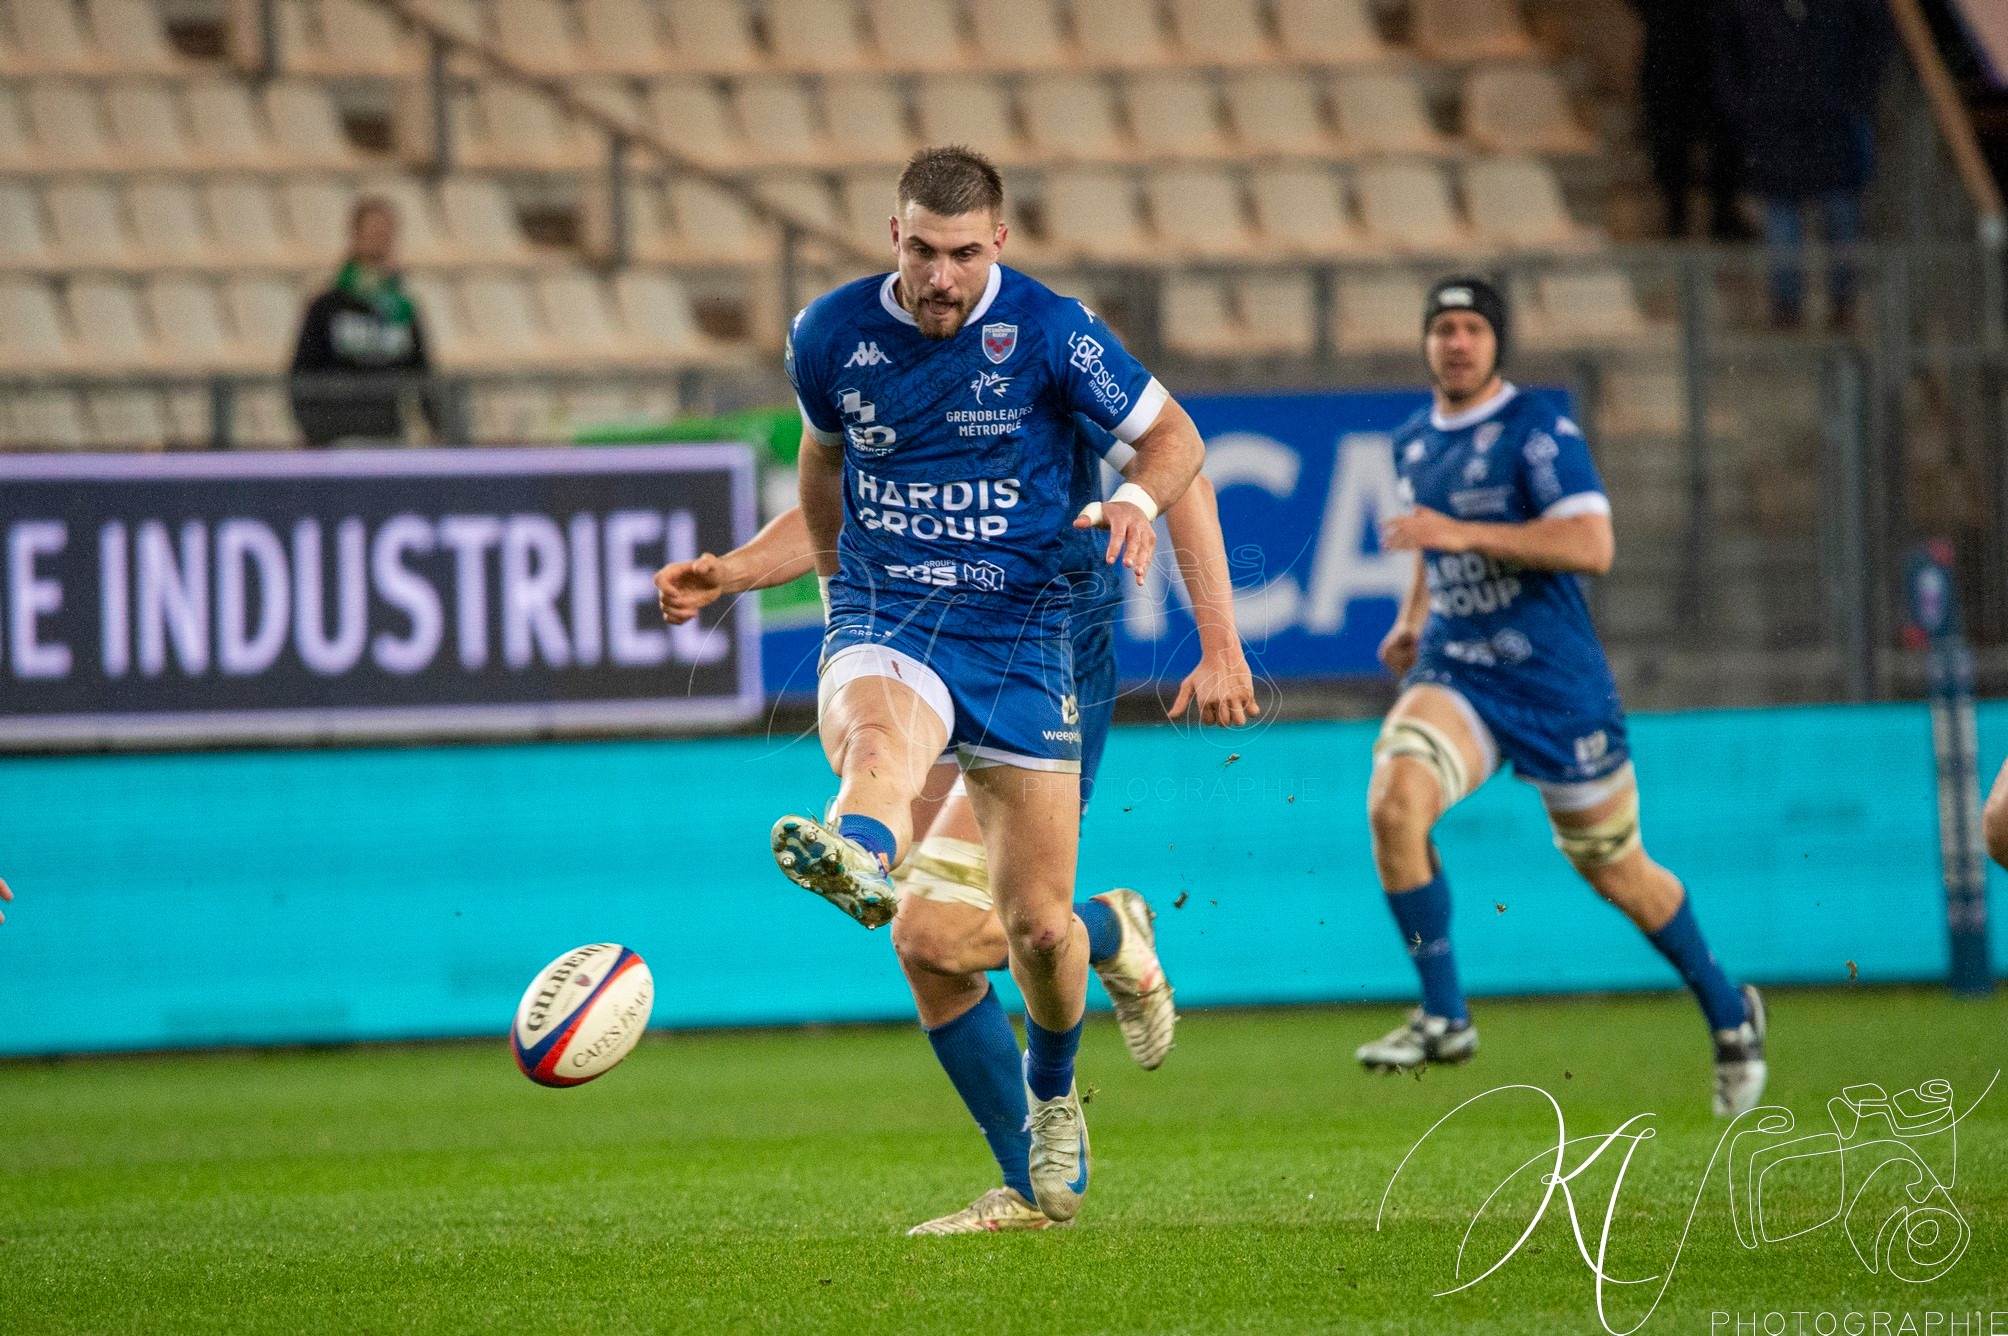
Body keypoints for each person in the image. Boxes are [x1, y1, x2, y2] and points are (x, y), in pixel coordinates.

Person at [656, 413, 1258, 1233]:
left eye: (958, 270)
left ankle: (1104, 933)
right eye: (922, 271)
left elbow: (1183, 468)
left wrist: (1221, 641)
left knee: (966, 933)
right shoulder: (871, 367)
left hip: (1042, 665)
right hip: (921, 648)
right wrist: (732, 571)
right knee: (926, 941)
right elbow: (835, 513)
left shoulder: (1045, 355)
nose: (938, 279)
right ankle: (1033, 1189)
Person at [768, 145, 1207, 1225]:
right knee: (882, 766)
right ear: (892, 238)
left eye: (963, 254)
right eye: (920, 250)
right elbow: (822, 464)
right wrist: (835, 596)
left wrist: (1140, 507)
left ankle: (1060, 1075)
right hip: (895, 615)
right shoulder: (828, 337)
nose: (939, 278)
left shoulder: (1052, 334)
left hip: (1027, 640)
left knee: (1036, 932)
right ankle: (859, 852)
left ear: (997, 244)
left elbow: (1174, 438)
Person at [1357, 275, 1769, 1118]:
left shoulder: (1538, 430)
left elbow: (1592, 542)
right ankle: (1445, 1014)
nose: (1458, 343)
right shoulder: (1412, 441)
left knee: (1617, 872)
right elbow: (1433, 554)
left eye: (1473, 328)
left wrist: (1464, 532)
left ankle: (1731, 1014)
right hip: (1461, 669)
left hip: (1554, 686)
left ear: (1498, 341)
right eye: (1445, 329)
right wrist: (1411, 618)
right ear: (1427, 342)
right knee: (1395, 803)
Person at [1713, 0, 1892, 328]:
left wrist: (1856, 96)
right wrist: (1743, 105)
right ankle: (1786, 305)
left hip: (1832, 118)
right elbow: (1726, 45)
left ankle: (1841, 301)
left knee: (1840, 212)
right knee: (1783, 213)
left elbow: (1876, 31)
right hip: (1775, 118)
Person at [289, 195, 440, 446]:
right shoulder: (327, 306)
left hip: (389, 436)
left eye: (385, 233)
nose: (378, 240)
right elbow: (302, 373)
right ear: (355, 235)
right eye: (371, 232)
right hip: (336, 440)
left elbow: (422, 371)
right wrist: (313, 430)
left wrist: (436, 426)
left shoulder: (402, 308)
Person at [1628, 0, 1745, 240]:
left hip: (1710, 49)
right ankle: (1677, 214)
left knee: (1721, 138)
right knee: (1672, 140)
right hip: (1671, 50)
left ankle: (1720, 213)